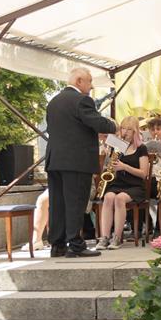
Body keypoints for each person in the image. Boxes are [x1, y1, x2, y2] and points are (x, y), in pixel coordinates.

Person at [45, 67, 116, 258]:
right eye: (89, 81)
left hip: (55, 160)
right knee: (75, 203)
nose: (91, 86)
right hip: (76, 161)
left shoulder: (53, 102)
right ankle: (75, 245)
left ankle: (57, 245)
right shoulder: (82, 100)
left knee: (58, 204)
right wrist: (113, 125)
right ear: (78, 81)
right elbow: (97, 123)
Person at [94, 116, 150, 250]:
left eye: (129, 129)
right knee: (108, 197)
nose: (125, 132)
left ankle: (117, 237)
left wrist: (125, 167)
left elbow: (144, 173)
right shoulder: (117, 147)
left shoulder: (141, 148)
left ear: (135, 131)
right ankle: (105, 237)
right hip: (118, 183)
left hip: (135, 185)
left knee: (120, 198)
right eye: (123, 128)